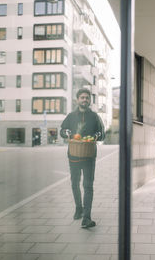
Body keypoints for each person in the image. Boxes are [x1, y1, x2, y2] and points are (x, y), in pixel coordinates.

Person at [60, 88, 105, 228]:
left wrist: (97, 135)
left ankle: (86, 217)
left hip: (89, 155)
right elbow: (62, 130)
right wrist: (66, 132)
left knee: (88, 186)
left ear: (90, 100)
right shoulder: (71, 116)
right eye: (82, 97)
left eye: (87, 97)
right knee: (74, 183)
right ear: (77, 100)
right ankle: (78, 208)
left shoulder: (95, 117)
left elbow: (102, 134)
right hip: (73, 154)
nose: (85, 99)